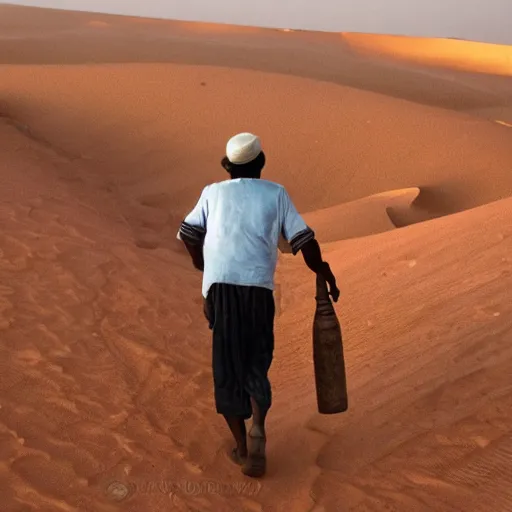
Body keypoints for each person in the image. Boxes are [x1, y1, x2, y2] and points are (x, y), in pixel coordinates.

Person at [177, 133, 339, 478]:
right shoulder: (275, 194)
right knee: (256, 361)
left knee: (226, 365)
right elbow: (303, 240)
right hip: (257, 291)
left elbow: (189, 232)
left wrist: (203, 266)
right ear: (260, 163)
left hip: (219, 290)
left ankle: (240, 446)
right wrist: (323, 271)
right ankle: (259, 426)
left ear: (228, 166)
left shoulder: (212, 193)